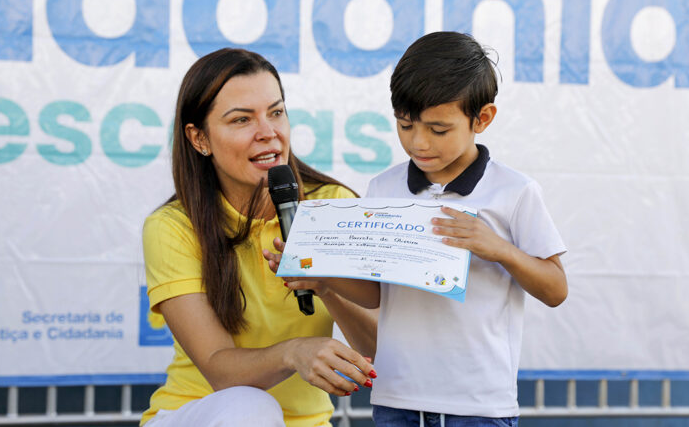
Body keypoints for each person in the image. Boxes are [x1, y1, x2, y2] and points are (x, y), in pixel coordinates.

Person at [274, 31, 568, 427]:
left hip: (479, 407)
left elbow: (556, 289)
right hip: (396, 399)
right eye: (405, 125)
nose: (419, 143)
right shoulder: (384, 188)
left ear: (482, 119)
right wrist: (322, 275)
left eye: (438, 130)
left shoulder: (514, 192)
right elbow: (375, 294)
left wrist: (500, 249)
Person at [140, 48, 377, 427]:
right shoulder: (172, 226)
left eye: (276, 112)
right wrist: (293, 353)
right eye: (242, 119)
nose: (268, 133)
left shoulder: (334, 205)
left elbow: (379, 345)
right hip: (201, 415)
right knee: (250, 407)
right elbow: (219, 369)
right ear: (199, 138)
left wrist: (327, 286)